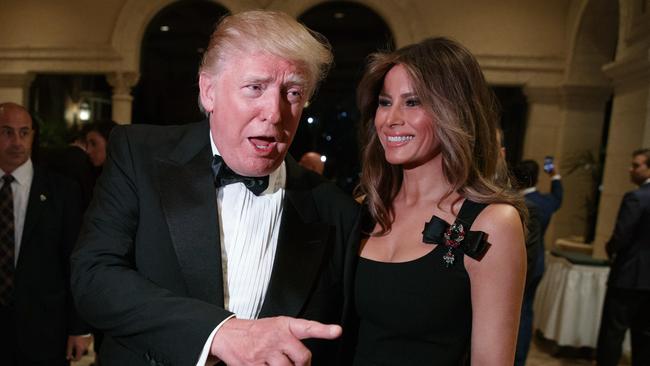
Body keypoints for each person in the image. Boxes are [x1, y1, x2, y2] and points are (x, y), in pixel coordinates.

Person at [70, 10, 360, 366]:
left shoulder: (336, 211)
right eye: (255, 87)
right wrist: (218, 333)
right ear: (209, 91)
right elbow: (93, 277)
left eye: (293, 92)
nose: (275, 111)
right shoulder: (139, 154)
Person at [352, 37, 527, 365]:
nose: (391, 119)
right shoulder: (365, 207)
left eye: (413, 102)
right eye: (385, 102)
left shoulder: (492, 223)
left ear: (454, 110)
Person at [0, 102, 91, 365]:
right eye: (7, 132)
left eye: (24, 132)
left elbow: (75, 261)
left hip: (44, 330)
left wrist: (78, 327)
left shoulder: (62, 192)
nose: (16, 141)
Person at [596, 148, 650, 366]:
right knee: (645, 338)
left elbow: (621, 235)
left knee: (612, 334)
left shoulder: (636, 197)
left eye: (636, 165)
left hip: (628, 276)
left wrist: (610, 249)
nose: (631, 169)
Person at [512, 158, 561, 365]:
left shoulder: (515, 203)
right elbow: (559, 198)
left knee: (518, 314)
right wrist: (556, 175)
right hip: (539, 262)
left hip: (521, 265)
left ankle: (517, 359)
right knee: (526, 311)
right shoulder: (546, 202)